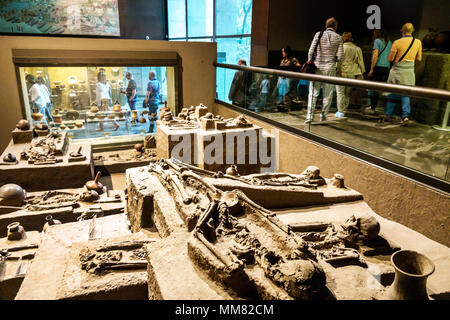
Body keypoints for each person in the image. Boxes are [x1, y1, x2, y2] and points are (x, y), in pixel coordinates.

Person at [305, 17, 344, 123]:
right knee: (328, 93)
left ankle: (310, 116)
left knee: (313, 92)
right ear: (335, 26)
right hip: (330, 68)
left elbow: (310, 51)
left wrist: (310, 61)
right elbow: (340, 57)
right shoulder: (339, 38)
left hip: (317, 67)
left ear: (326, 25)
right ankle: (323, 115)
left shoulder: (318, 34)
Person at [384, 22, 422, 126]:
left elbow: (390, 59)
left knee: (392, 92)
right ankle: (405, 116)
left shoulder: (397, 42)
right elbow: (419, 58)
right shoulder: (418, 42)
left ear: (403, 31)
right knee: (405, 94)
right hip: (409, 71)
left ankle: (388, 115)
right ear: (412, 31)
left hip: (397, 70)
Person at [335, 32, 365, 119]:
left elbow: (338, 61)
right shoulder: (357, 49)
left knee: (340, 93)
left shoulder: (341, 47)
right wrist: (361, 74)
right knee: (347, 93)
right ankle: (344, 110)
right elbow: (361, 63)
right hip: (351, 73)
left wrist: (337, 70)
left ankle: (340, 112)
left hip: (341, 73)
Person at [366, 29, 392, 114]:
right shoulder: (389, 43)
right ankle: (382, 108)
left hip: (378, 67)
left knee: (374, 88)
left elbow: (375, 55)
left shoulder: (377, 41)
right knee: (381, 89)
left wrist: (371, 69)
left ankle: (372, 108)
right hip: (386, 68)